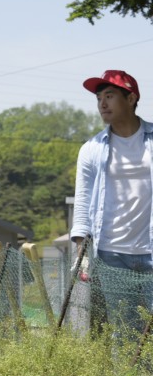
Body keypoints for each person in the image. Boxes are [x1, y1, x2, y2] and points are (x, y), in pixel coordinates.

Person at [70, 70, 153, 342]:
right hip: (112, 255)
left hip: (151, 250)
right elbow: (82, 202)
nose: (102, 104)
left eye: (110, 96)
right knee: (125, 332)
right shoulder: (92, 148)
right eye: (99, 98)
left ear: (130, 98)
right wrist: (81, 253)